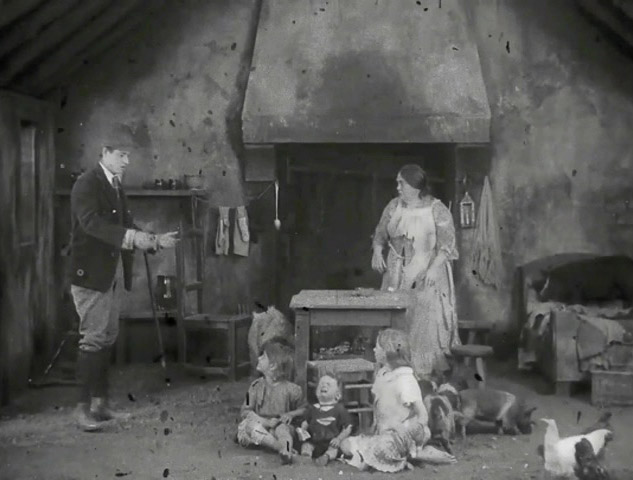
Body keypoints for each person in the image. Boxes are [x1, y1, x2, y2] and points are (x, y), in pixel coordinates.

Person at [69, 124, 179, 431]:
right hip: (90, 274)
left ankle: (100, 404)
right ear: (104, 153)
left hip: (111, 272)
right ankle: (81, 410)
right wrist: (133, 238)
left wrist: (154, 240)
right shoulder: (86, 184)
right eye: (121, 155)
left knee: (106, 337)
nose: (127, 161)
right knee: (93, 338)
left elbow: (128, 225)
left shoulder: (116, 186)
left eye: (128, 156)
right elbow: (92, 224)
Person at [371, 164, 461, 378]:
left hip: (427, 274)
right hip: (396, 274)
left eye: (401, 183)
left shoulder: (437, 209)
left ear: (415, 185)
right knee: (396, 320)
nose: (398, 187)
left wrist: (434, 269)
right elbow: (380, 235)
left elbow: (447, 246)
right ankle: (395, 371)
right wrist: (377, 252)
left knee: (423, 326)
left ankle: (423, 376)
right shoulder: (393, 206)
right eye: (397, 183)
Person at [339, 328, 430, 472]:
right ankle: (368, 456)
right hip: (382, 433)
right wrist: (375, 427)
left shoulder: (405, 379)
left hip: (399, 436)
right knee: (346, 444)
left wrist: (407, 431)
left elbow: (422, 414)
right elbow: (380, 408)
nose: (374, 349)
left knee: (384, 446)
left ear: (387, 351)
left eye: (377, 347)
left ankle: (405, 457)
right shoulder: (383, 374)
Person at [237, 339, 306, 464]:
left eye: (263, 356)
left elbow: (304, 409)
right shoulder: (255, 386)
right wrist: (266, 422)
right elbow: (245, 411)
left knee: (283, 431)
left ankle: (286, 449)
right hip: (261, 427)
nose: (259, 358)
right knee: (248, 426)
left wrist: (291, 414)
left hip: (280, 425)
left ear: (273, 366)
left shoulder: (293, 389)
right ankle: (279, 447)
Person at [296, 372, 353, 465]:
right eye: (321, 384)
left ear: (337, 394)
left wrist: (338, 439)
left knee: (333, 450)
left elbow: (347, 427)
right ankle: (306, 456)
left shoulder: (339, 409)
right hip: (314, 441)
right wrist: (302, 430)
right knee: (306, 446)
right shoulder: (312, 408)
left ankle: (326, 457)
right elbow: (306, 422)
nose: (323, 386)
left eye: (328, 384)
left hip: (331, 442)